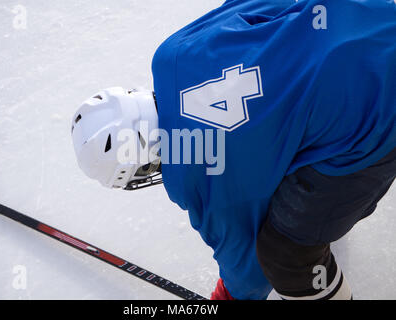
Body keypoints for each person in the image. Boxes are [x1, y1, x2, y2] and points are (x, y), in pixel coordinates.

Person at [71, 0, 396, 300]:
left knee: (285, 256)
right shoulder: (172, 54)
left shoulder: (194, 174)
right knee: (281, 136)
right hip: (372, 18)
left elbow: (250, 267)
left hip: (382, 113)